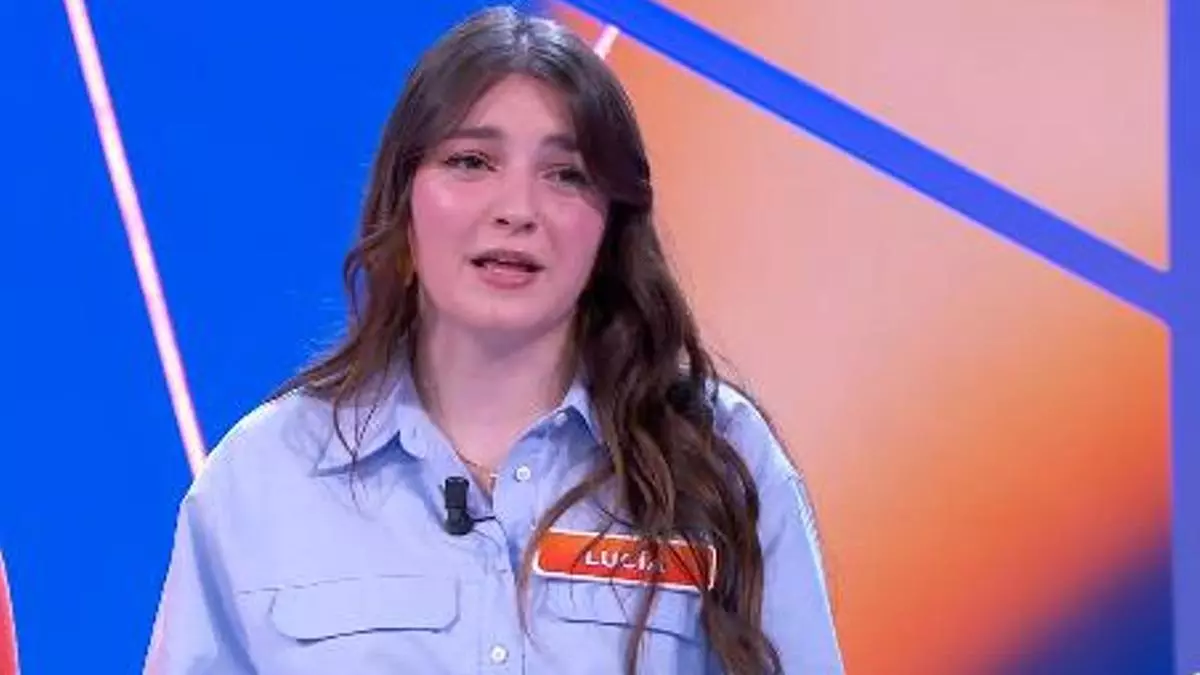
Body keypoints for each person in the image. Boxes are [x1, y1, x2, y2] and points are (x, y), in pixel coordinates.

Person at [145, 6, 843, 674]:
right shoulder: (265, 478)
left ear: (610, 224)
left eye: (566, 174)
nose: (517, 210)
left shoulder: (721, 457)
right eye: (472, 162)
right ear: (403, 198)